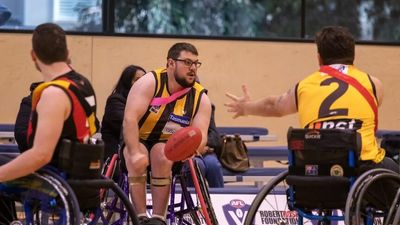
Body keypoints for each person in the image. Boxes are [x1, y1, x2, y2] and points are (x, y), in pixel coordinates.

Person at [225, 26, 398, 174]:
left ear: (319, 57)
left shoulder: (303, 86)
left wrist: (246, 107)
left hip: (315, 170)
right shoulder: (373, 85)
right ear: (353, 54)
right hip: (362, 169)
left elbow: (274, 105)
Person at [0, 23, 99, 223]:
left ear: (33, 55)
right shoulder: (83, 84)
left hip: (56, 182)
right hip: (85, 175)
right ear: (67, 52)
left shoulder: (54, 94)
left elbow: (40, 156)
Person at [123, 42, 212, 225]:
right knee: (138, 154)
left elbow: (201, 136)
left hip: (169, 146)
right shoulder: (149, 82)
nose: (193, 68)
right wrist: (133, 153)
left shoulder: (201, 98)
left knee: (161, 155)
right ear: (171, 63)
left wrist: (192, 147)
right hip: (137, 137)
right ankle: (140, 218)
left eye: (196, 63)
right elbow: (130, 119)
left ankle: (158, 219)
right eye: (187, 62)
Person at [101, 65, 146, 160]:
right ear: (127, 82)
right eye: (137, 79)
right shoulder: (115, 100)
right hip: (115, 156)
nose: (142, 83)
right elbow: (129, 124)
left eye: (144, 79)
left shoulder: (146, 102)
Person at [184, 103, 224, 188]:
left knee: (213, 165)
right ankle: (194, 199)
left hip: (205, 150)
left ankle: (218, 198)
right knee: (197, 165)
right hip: (185, 153)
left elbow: (215, 138)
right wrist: (195, 148)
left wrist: (202, 145)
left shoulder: (206, 105)